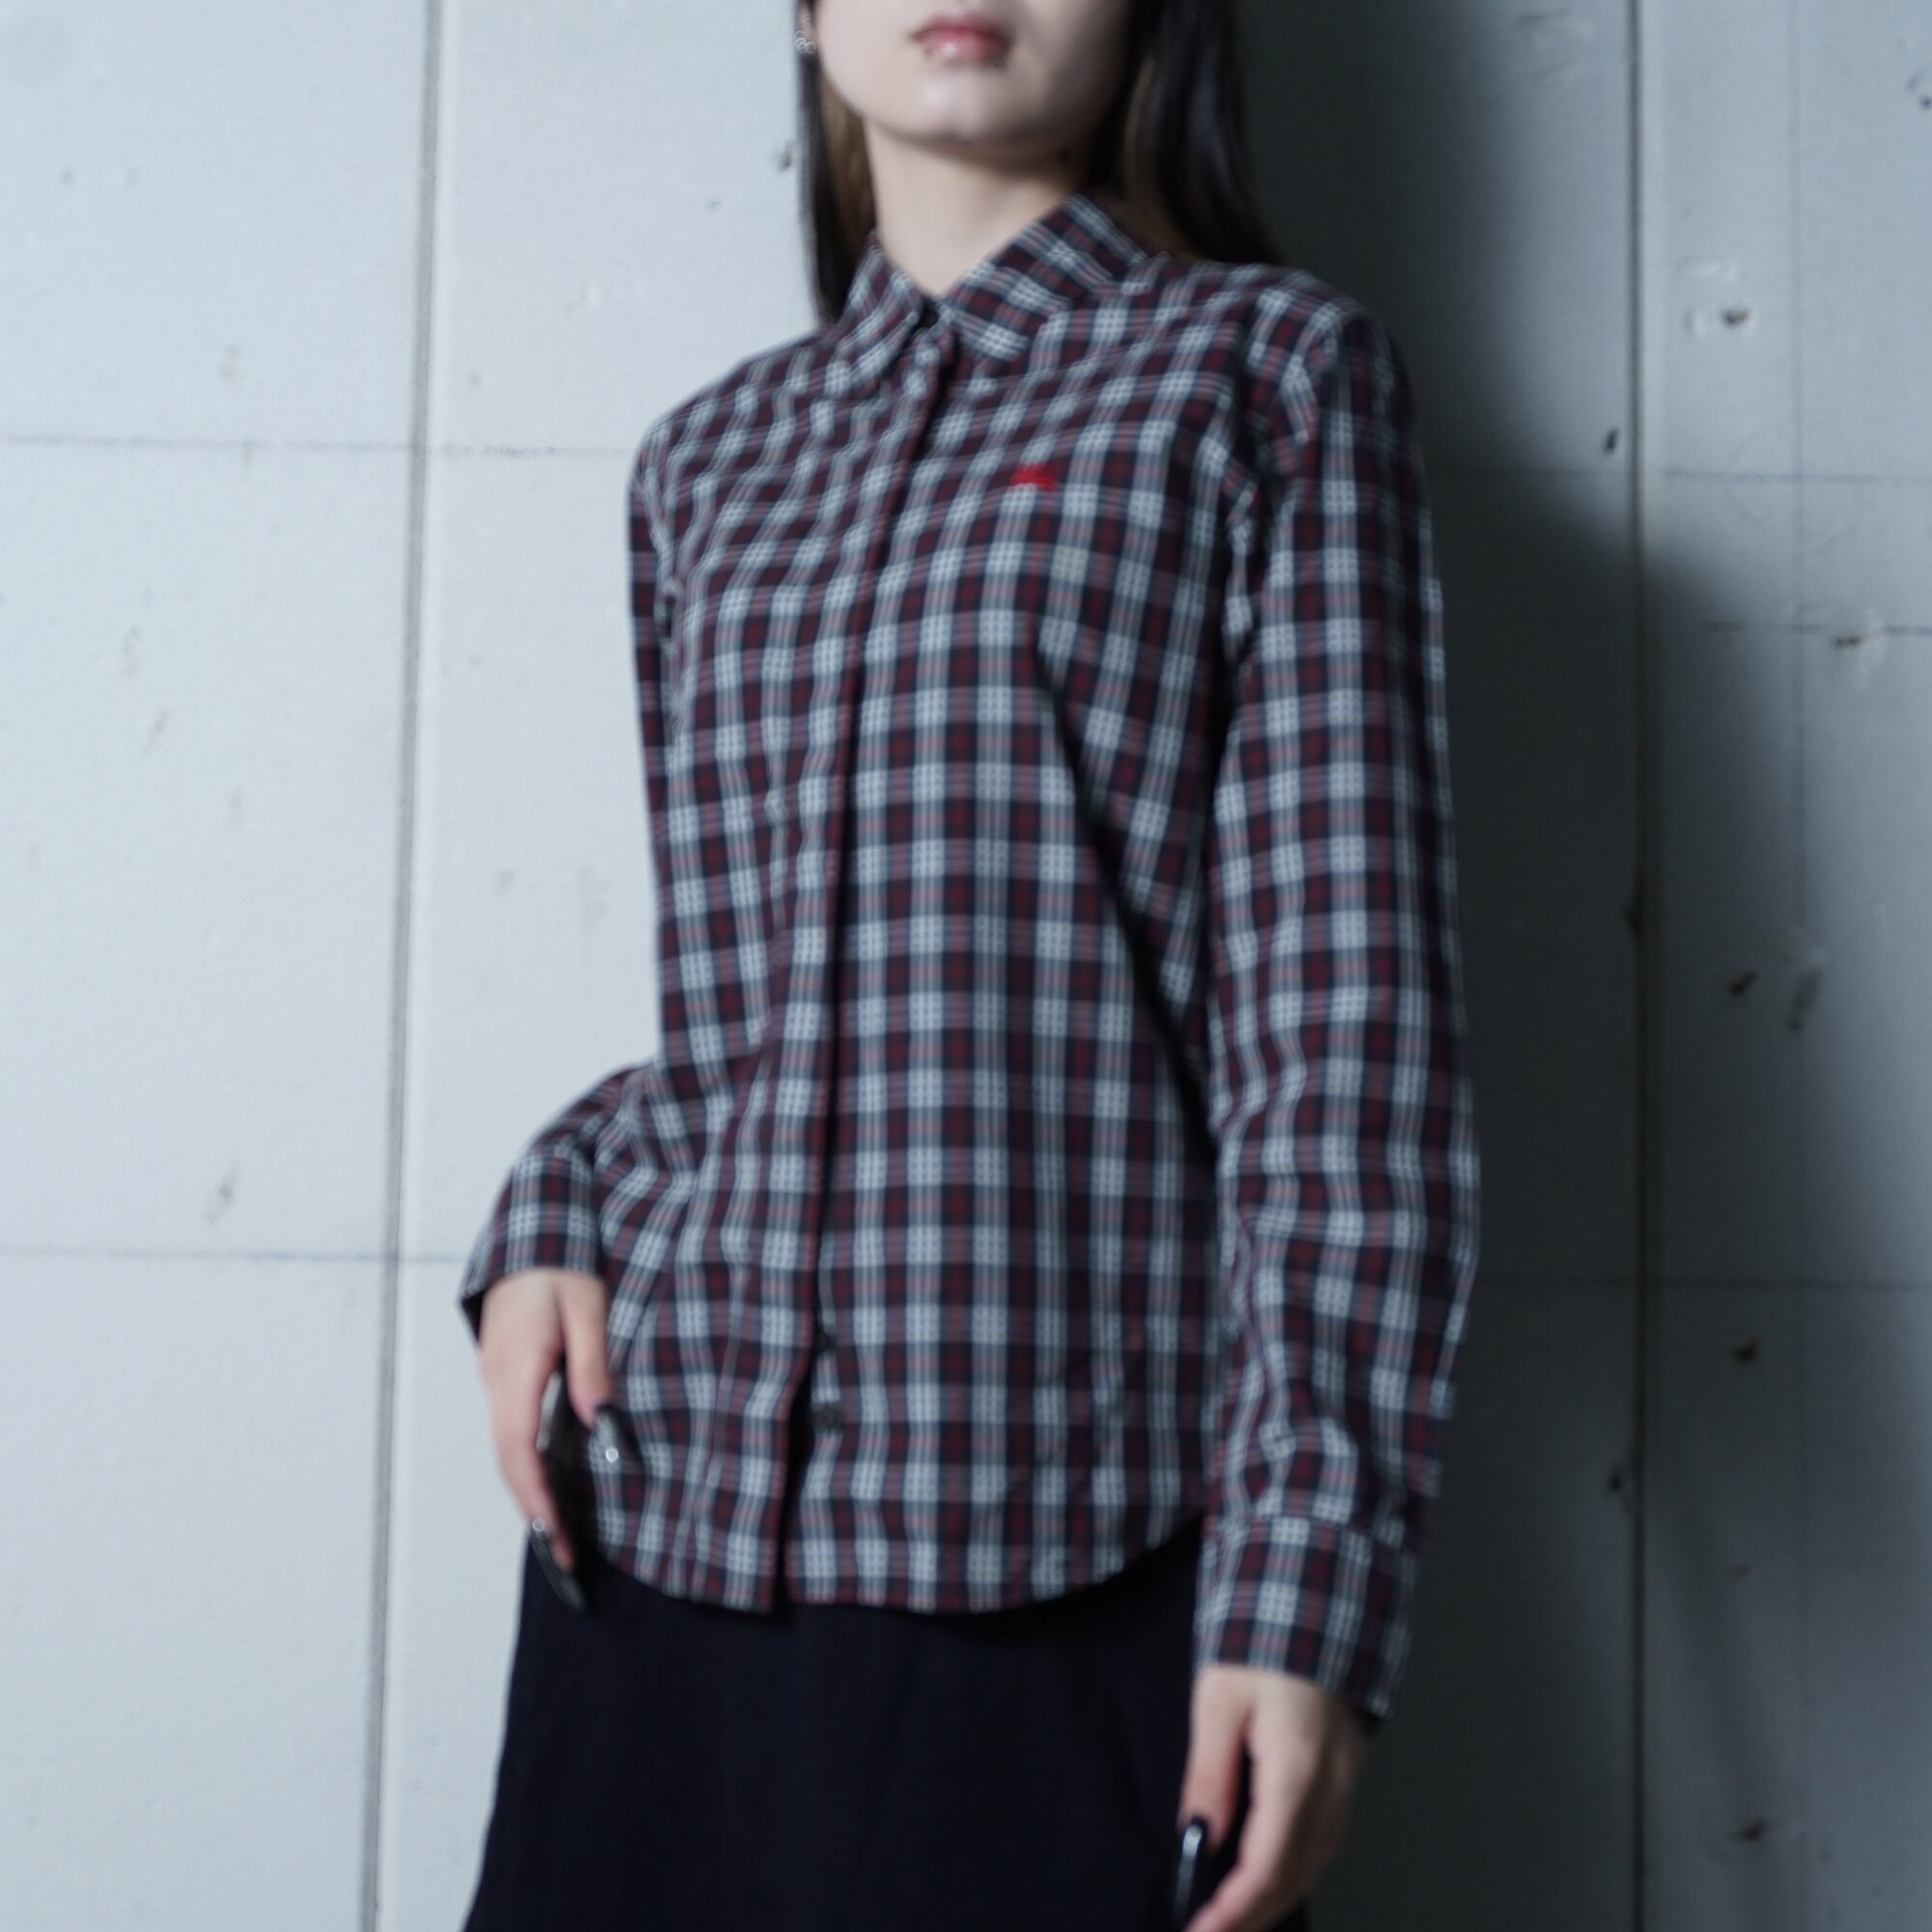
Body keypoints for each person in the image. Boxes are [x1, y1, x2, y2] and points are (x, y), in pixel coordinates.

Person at [457, 2, 1482, 1928]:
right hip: (655, 1542)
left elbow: (1340, 1048)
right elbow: (743, 1027)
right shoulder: (709, 463)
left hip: (1045, 1561)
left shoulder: (1267, 379)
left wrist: (1304, 1588)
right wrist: (553, 1207)